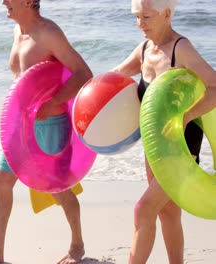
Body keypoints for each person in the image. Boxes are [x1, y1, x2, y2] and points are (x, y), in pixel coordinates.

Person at [0, 0, 92, 263]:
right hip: (21, 126)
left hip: (49, 124)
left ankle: (77, 246)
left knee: (58, 188)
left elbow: (83, 73)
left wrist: (53, 103)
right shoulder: (18, 32)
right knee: (1, 181)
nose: (3, 3)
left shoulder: (48, 33)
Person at [112, 0, 216, 263]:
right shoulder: (145, 49)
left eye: (147, 17)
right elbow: (114, 76)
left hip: (181, 149)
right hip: (154, 145)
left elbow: (214, 86)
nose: (140, 24)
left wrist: (186, 116)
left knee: (142, 210)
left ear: (167, 14)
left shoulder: (181, 49)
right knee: (167, 212)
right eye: (137, 17)